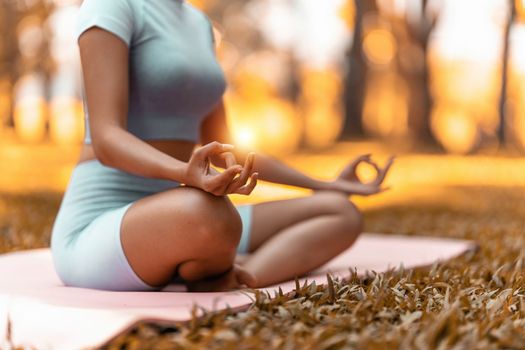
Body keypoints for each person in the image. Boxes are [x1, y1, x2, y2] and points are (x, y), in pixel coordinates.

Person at [50, 0, 394, 292]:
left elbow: (230, 150)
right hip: (104, 224)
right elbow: (107, 138)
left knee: (339, 211)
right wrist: (184, 172)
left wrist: (329, 184)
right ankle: (211, 257)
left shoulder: (199, 24)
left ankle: (240, 277)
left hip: (186, 210)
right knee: (211, 214)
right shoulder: (111, 5)